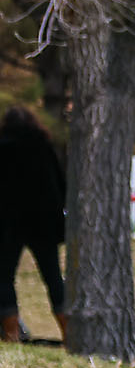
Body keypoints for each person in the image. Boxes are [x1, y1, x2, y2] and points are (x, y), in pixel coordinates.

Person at [0, 107, 68, 344]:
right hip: (43, 223)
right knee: (53, 277)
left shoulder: (4, 147)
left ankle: (11, 334)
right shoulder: (44, 147)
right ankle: (69, 332)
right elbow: (60, 185)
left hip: (9, 223)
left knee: (3, 277)